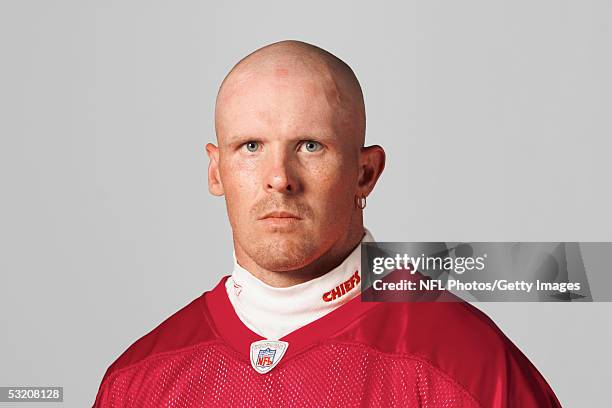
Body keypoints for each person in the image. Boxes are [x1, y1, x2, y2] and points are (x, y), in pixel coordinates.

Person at [93, 40, 561, 407]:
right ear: (216, 171)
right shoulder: (138, 381)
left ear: (365, 173)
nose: (279, 178)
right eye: (251, 147)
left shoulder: (467, 367)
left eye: (310, 146)